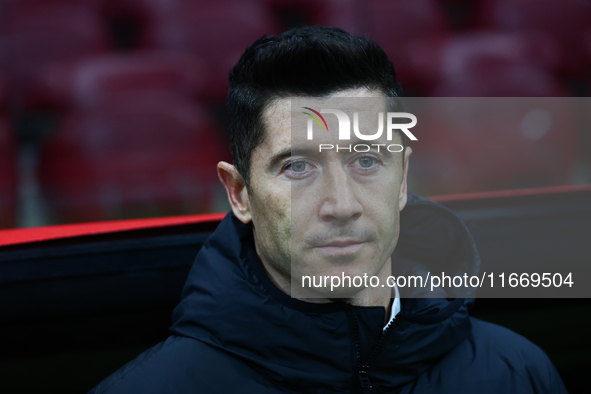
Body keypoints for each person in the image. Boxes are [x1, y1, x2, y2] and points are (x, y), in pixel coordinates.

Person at [89, 26, 567, 393]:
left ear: (401, 179)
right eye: (297, 167)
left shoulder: (517, 372)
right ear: (239, 194)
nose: (342, 206)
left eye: (366, 160)